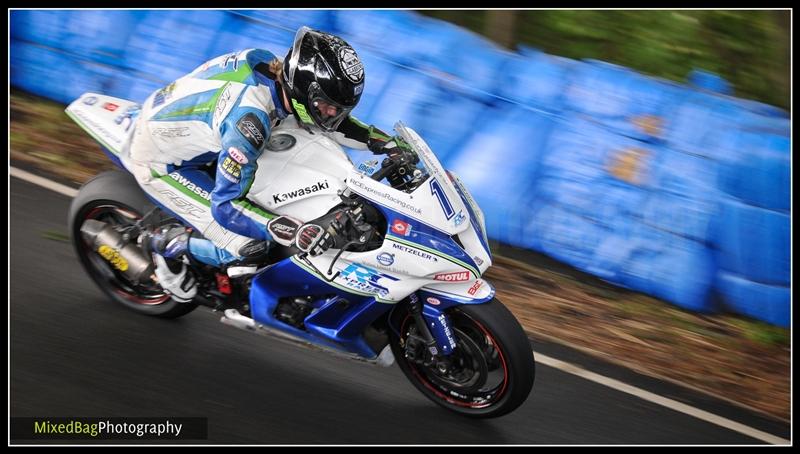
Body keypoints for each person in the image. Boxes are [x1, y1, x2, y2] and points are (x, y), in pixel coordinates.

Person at [127, 26, 411, 302]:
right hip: (163, 164)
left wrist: (385, 143)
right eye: (328, 105)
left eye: (340, 108)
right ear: (303, 91)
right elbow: (226, 207)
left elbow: (326, 123)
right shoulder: (249, 125)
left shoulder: (274, 72)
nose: (333, 113)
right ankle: (165, 242)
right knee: (250, 245)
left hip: (199, 133)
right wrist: (294, 232)